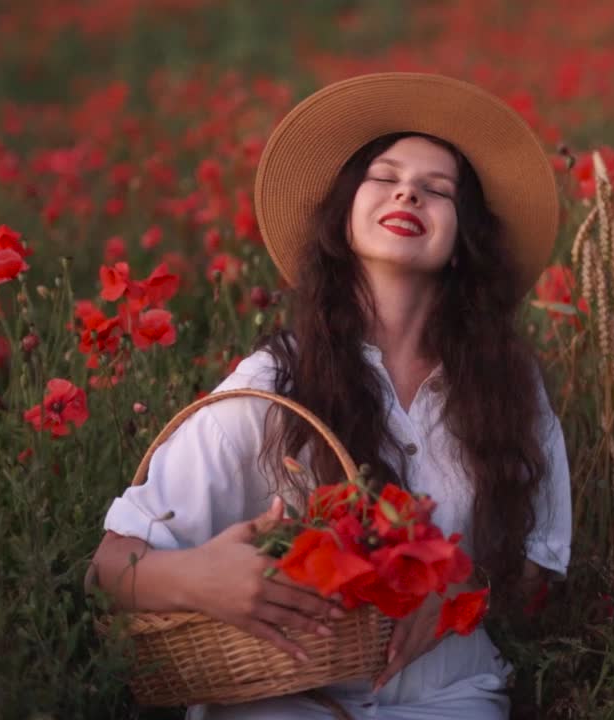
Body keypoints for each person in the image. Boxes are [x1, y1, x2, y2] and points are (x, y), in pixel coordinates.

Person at [89, 72, 572, 719]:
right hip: (283, 698)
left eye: (438, 190)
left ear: (464, 244)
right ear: (343, 216)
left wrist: (464, 588)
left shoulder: (505, 385)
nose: (408, 191)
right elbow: (108, 569)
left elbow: (537, 564)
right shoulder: (276, 380)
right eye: (386, 175)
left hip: (450, 695)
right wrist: (203, 581)